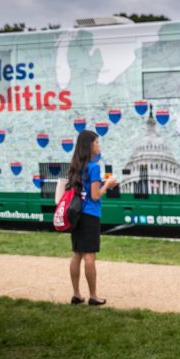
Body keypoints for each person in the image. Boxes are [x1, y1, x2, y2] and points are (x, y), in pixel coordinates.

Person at [66, 130, 118, 306]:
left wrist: (101, 184)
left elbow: (84, 190)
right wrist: (108, 185)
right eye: (96, 142)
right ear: (89, 146)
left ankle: (76, 294)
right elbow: (95, 196)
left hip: (76, 214)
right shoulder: (94, 167)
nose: (99, 145)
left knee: (77, 254)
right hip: (90, 214)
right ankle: (93, 296)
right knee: (89, 256)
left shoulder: (76, 165)